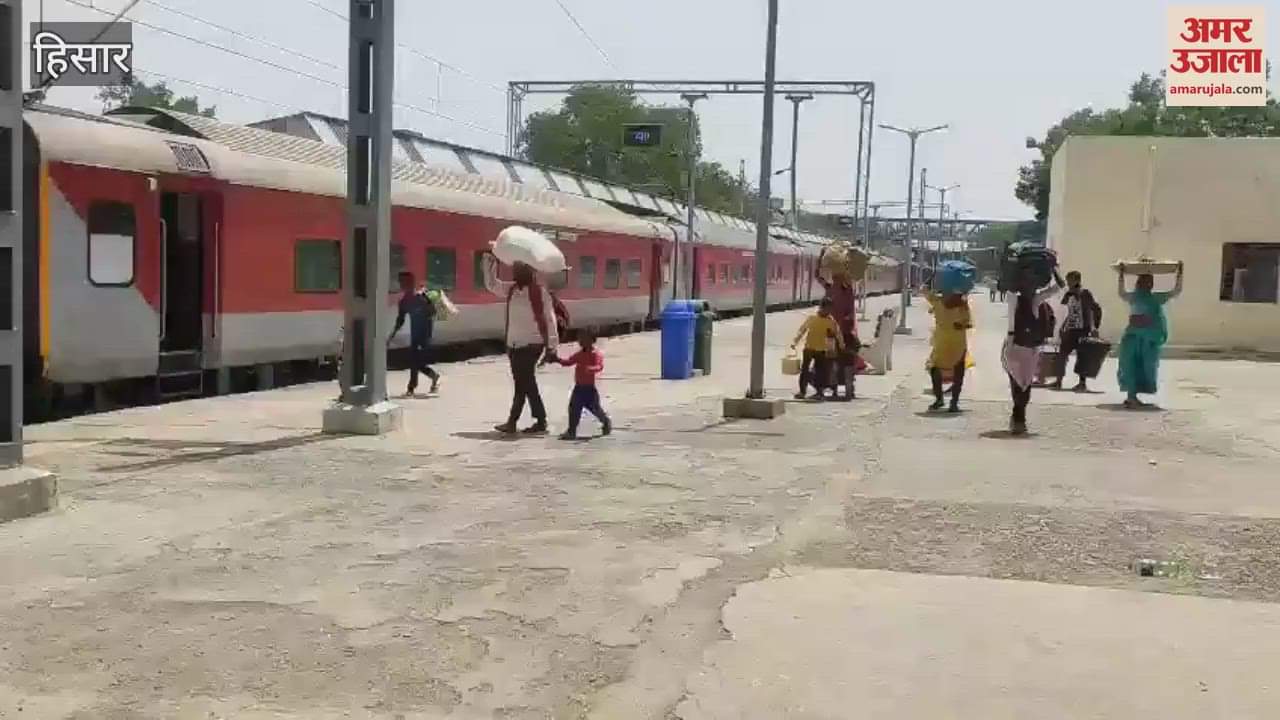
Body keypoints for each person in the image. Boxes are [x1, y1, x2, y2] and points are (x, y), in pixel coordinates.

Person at [483, 255, 559, 435]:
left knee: (523, 382)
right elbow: (492, 285)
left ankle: (514, 421)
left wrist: (552, 346)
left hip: (532, 343)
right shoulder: (511, 290)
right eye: (514, 269)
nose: (515, 272)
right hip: (514, 344)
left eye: (519, 269)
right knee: (525, 383)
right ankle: (539, 420)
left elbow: (550, 318)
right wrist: (490, 264)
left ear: (529, 272)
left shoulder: (538, 292)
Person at [1002, 266, 1065, 435]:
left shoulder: (1036, 299)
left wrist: (1053, 269)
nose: (1031, 287)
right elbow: (1011, 324)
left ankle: (1018, 418)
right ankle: (1018, 419)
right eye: (1027, 283)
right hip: (1014, 345)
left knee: (1025, 387)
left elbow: (1059, 286)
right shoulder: (1013, 298)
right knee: (1017, 385)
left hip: (1031, 349)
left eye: (1032, 284)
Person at [1117, 262, 1183, 409]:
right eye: (1144, 281)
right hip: (1132, 338)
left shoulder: (1155, 298)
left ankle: (1133, 397)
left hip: (1148, 340)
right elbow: (1121, 293)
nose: (1147, 284)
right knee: (1129, 366)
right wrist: (1121, 275)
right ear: (1138, 283)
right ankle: (1131, 396)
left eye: (1149, 282)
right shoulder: (1133, 297)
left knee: (1145, 367)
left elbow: (1175, 291)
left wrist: (1180, 274)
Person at [814, 250, 860, 400]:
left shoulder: (847, 290)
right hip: (831, 333)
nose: (834, 277)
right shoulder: (830, 288)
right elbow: (817, 277)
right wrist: (820, 259)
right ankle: (831, 389)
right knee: (830, 362)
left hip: (846, 333)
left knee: (842, 363)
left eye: (837, 275)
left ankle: (846, 389)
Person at [388, 271, 439, 396]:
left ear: (411, 283)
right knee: (414, 362)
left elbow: (433, 313)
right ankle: (413, 386)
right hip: (415, 335)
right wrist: (391, 335)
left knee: (417, 363)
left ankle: (431, 377)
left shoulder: (421, 297)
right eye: (402, 283)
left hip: (425, 334)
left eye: (406, 282)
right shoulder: (404, 302)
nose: (403, 285)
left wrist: (427, 302)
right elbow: (400, 320)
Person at [555, 328, 612, 440]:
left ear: (591, 340)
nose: (580, 341)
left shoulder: (596, 354)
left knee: (595, 409)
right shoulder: (579, 354)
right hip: (579, 388)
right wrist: (557, 360)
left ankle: (606, 422)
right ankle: (571, 431)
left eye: (583, 338)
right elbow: (568, 362)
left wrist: (590, 369)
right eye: (579, 338)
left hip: (589, 389)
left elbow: (599, 366)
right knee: (573, 409)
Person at [1052, 271, 1102, 392]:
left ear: (1077, 280)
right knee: (1062, 355)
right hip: (1070, 330)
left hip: (1082, 330)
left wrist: (1095, 326)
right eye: (1067, 280)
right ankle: (1058, 381)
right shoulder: (1069, 295)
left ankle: (1082, 383)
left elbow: (1096, 309)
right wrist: (1062, 327)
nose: (1068, 283)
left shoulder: (1085, 294)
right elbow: (1068, 312)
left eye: (1070, 280)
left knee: (1082, 357)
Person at [925, 289, 972, 412]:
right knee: (959, 371)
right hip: (958, 343)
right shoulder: (962, 303)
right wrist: (960, 325)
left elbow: (924, 291)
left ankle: (939, 399)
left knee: (935, 369)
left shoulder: (937, 301)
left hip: (941, 342)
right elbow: (968, 323)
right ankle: (954, 402)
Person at [791, 298, 844, 401]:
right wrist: (795, 342)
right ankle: (802, 391)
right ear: (822, 307)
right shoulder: (812, 318)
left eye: (830, 309)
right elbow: (802, 330)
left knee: (820, 372)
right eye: (827, 308)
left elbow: (838, 334)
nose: (829, 311)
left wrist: (841, 345)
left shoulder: (831, 321)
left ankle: (819, 392)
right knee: (804, 371)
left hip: (821, 350)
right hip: (809, 348)